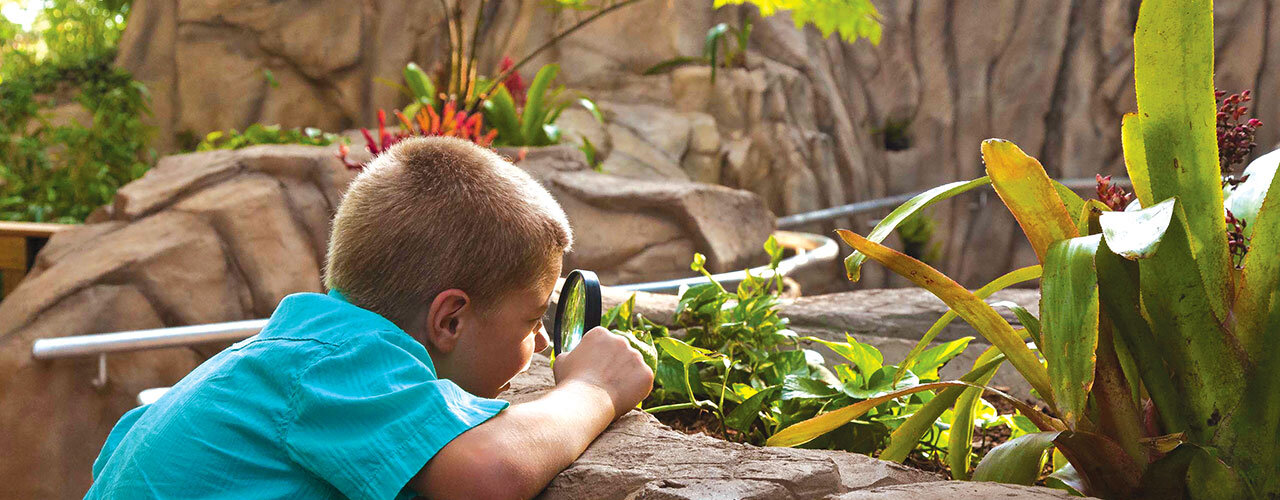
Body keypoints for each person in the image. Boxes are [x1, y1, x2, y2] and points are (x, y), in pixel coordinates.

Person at [86, 137, 655, 500]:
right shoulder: (341, 363)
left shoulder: (284, 354)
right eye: (532, 320)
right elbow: (490, 475)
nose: (538, 338)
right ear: (450, 321)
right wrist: (593, 387)